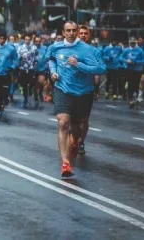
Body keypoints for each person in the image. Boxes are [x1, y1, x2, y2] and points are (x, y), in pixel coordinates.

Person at [46, 21, 106, 177]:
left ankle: (76, 142)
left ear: (77, 31)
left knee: (78, 124)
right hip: (62, 89)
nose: (72, 33)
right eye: (68, 30)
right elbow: (51, 59)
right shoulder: (56, 46)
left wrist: (79, 64)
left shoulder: (89, 50)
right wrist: (53, 72)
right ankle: (66, 164)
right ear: (63, 32)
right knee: (63, 122)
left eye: (74, 30)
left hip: (83, 92)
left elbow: (101, 69)